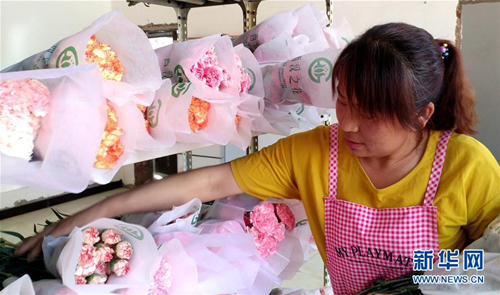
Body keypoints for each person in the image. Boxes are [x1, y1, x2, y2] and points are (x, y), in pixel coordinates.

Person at [16, 23, 500, 294]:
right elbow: (206, 185)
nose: (349, 123)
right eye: (344, 101)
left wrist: (416, 286)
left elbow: (493, 263)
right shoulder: (318, 153)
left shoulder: (467, 166)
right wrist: (92, 211)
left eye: (371, 113)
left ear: (422, 116)